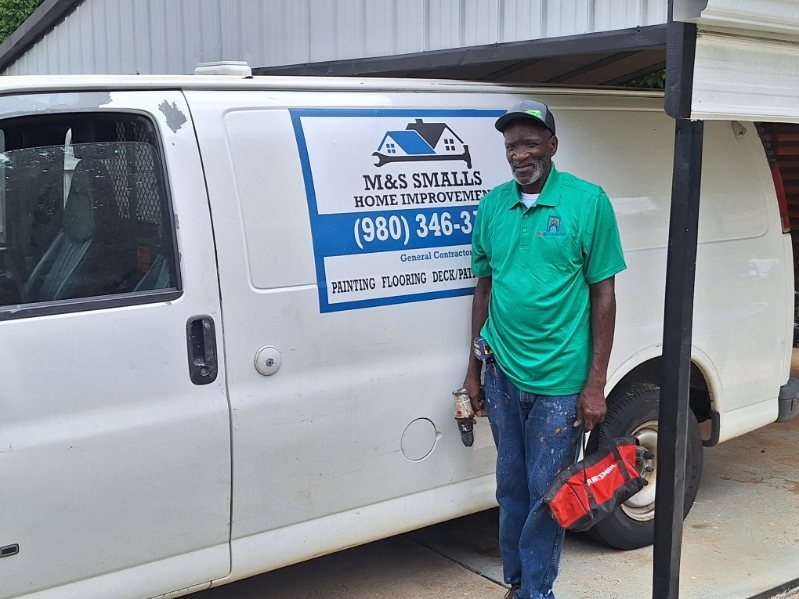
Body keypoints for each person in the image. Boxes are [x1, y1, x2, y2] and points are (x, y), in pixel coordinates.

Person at [462, 100, 626, 599]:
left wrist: (595, 385)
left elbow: (604, 294)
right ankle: (516, 584)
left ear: (552, 146)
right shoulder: (494, 205)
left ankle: (537, 592)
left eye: (530, 143)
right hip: (502, 372)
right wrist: (473, 371)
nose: (519, 154)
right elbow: (484, 290)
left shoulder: (588, 202)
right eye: (512, 145)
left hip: (559, 384)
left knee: (546, 497)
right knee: (510, 491)